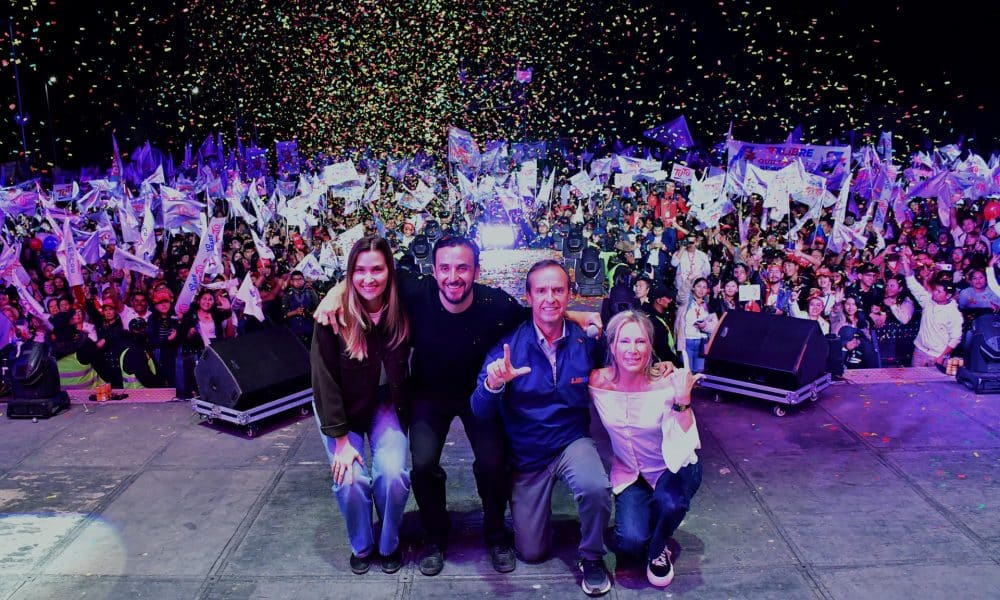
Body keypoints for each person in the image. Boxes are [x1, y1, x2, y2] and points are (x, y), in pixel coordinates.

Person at [314, 236, 599, 576]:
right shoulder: (415, 291)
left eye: (462, 268)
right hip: (428, 395)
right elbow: (367, 274)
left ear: (477, 271)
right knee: (421, 465)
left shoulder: (496, 305)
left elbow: (538, 310)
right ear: (432, 271)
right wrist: (336, 292)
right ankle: (435, 536)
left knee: (494, 463)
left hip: (479, 393)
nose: (453, 276)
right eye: (445, 268)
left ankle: (495, 534)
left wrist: (580, 317)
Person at [471, 260, 613, 597]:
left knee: (595, 487)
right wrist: (493, 384)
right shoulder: (508, 348)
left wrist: (662, 369)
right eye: (542, 291)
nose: (550, 298)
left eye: (558, 290)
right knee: (532, 553)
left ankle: (592, 556)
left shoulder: (586, 342)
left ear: (570, 295)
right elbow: (479, 410)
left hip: (570, 442)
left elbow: (625, 364)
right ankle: (536, 517)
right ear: (529, 297)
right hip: (528, 454)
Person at [311, 236, 411, 576]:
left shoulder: (403, 305)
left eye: (377, 270)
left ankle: (388, 544)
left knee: (393, 474)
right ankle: (363, 545)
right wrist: (340, 442)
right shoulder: (333, 316)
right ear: (349, 274)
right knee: (350, 479)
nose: (369, 278)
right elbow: (324, 382)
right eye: (359, 270)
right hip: (342, 409)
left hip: (386, 403)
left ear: (390, 272)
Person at [588, 311, 702, 588]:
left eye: (640, 342)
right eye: (624, 342)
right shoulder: (597, 382)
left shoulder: (667, 383)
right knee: (628, 544)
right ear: (612, 346)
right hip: (630, 473)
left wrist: (683, 400)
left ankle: (658, 548)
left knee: (670, 502)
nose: (633, 350)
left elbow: (687, 444)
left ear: (651, 346)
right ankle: (651, 529)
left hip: (673, 467)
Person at [900, 253, 963, 367]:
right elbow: (912, 283)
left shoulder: (954, 314)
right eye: (935, 290)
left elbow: (956, 338)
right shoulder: (928, 301)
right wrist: (905, 264)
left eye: (939, 292)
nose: (934, 293)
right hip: (919, 351)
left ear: (948, 296)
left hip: (938, 356)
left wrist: (942, 356)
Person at [674, 278, 717, 373]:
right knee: (687, 371)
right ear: (693, 288)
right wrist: (688, 280)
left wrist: (705, 326)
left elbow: (715, 326)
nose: (701, 290)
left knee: (699, 372)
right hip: (687, 341)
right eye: (698, 286)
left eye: (704, 287)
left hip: (702, 342)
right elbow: (681, 295)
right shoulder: (685, 302)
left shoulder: (707, 306)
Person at [281, 270, 319, 347]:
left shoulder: (310, 292)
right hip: (294, 329)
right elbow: (284, 314)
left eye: (300, 279)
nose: (298, 281)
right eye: (295, 279)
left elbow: (318, 308)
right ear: (291, 282)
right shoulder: (287, 295)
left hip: (310, 328)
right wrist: (295, 312)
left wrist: (310, 313)